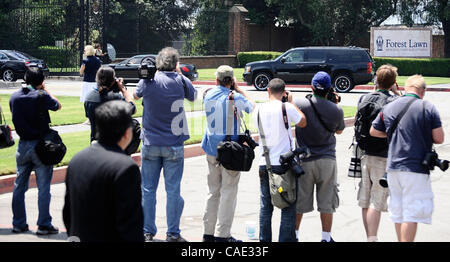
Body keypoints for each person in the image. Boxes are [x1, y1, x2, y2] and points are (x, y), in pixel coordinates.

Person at [133, 47, 197, 242]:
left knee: (148, 189)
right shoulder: (180, 80)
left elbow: (136, 96)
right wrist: (179, 73)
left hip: (151, 142)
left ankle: (146, 231)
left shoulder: (149, 80)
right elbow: (193, 96)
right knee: (173, 190)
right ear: (176, 62)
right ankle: (172, 233)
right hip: (174, 144)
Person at [370, 75, 444, 242]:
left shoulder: (390, 107)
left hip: (393, 167)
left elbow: (374, 131)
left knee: (398, 211)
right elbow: (439, 138)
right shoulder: (427, 107)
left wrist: (392, 134)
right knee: (411, 212)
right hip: (415, 167)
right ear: (423, 91)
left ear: (405, 88)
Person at [63, 100, 144, 242]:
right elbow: (131, 224)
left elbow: (68, 213)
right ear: (126, 133)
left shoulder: (77, 160)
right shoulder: (126, 167)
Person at [201, 65, 255, 242]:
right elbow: (251, 107)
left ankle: (208, 233)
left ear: (216, 79)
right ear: (231, 81)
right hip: (229, 150)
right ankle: (222, 235)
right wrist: (238, 89)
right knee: (228, 192)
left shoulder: (208, 94)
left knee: (213, 192)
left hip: (211, 148)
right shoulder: (236, 96)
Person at [9, 67, 61, 235]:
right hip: (41, 145)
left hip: (23, 145)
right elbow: (57, 106)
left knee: (19, 186)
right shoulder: (41, 96)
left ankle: (18, 223)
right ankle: (44, 224)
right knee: (43, 187)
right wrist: (45, 90)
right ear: (41, 81)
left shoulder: (14, 97)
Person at [294, 71, 345, 242]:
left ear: (312, 86)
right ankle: (326, 237)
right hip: (327, 159)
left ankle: (294, 235)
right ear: (330, 88)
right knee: (327, 202)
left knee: (300, 202)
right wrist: (333, 104)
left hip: (304, 160)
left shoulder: (300, 103)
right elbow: (339, 130)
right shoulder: (336, 109)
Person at [253, 78, 306, 242]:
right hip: (284, 165)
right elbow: (303, 121)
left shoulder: (258, 109)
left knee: (265, 207)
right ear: (284, 92)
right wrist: (291, 102)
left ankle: (264, 240)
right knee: (288, 205)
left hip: (265, 163)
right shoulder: (287, 107)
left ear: (268, 90)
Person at [355, 64, 401, 242]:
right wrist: (396, 93)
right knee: (377, 200)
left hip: (364, 152)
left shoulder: (363, 98)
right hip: (384, 155)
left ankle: (369, 236)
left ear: (376, 80)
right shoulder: (394, 101)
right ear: (393, 83)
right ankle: (372, 239)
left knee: (365, 199)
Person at [84, 66, 136, 142]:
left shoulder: (89, 97)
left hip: (95, 141)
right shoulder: (116, 98)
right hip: (113, 143)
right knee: (134, 124)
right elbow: (133, 109)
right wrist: (123, 90)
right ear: (112, 81)